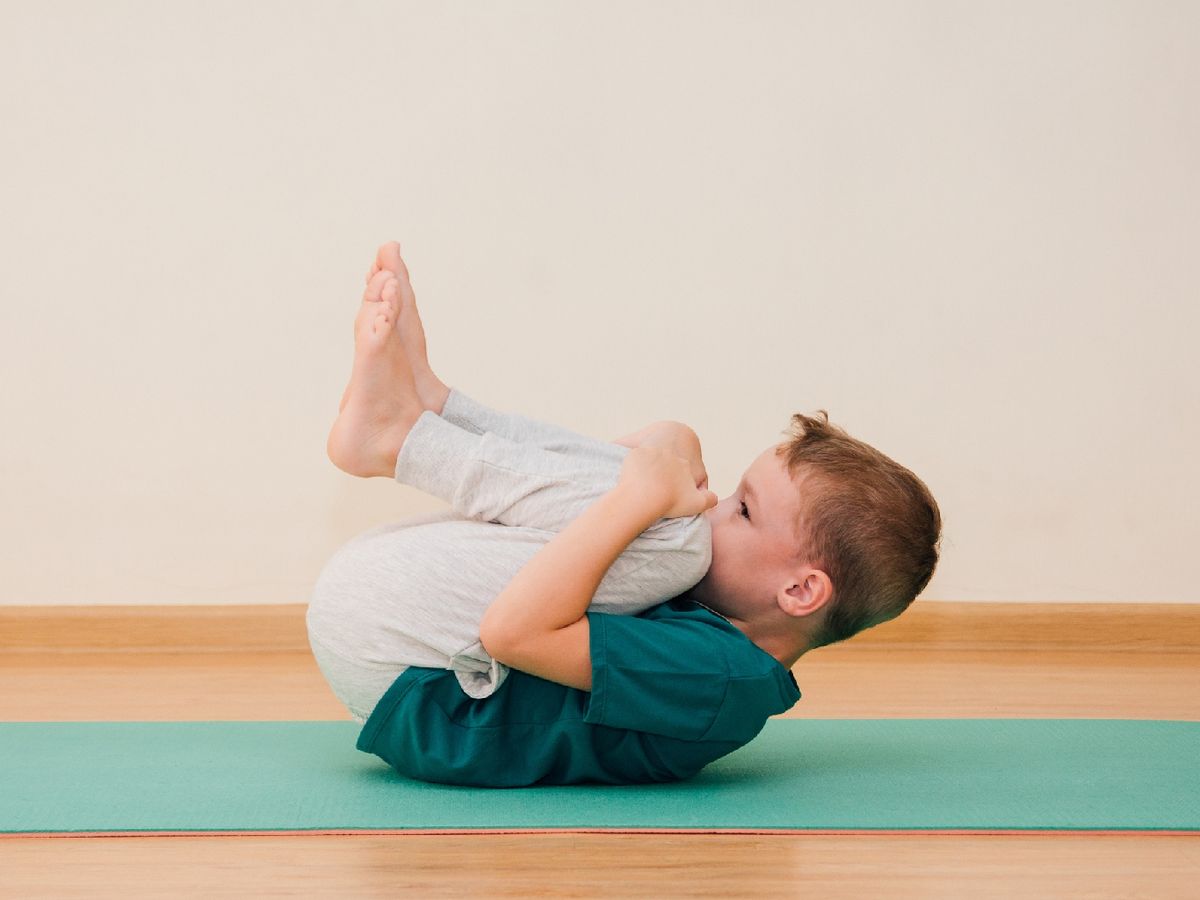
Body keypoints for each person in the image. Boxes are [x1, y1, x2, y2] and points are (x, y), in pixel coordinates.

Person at [307, 242, 942, 786]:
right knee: (660, 503)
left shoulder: (722, 679)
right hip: (405, 652)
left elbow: (512, 634)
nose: (719, 509)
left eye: (744, 511)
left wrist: (647, 493)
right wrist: (660, 459)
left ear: (801, 590)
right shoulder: (728, 642)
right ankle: (431, 409)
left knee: (669, 531)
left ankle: (408, 437)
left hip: (424, 691)